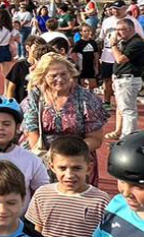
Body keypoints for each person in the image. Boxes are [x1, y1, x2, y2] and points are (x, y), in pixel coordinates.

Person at [25, 136, 112, 237]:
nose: (70, 175)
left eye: (77, 168)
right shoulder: (42, 194)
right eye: (62, 168)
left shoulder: (101, 201)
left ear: (89, 168)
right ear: (51, 167)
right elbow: (37, 233)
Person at [22, 52, 108, 184]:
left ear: (71, 73)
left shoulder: (86, 99)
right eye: (53, 76)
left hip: (77, 161)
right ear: (43, 77)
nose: (60, 79)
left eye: (63, 74)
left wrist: (67, 155)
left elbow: (95, 139)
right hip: (44, 159)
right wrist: (51, 157)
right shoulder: (35, 97)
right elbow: (32, 133)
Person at [106, 17, 144, 139]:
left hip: (128, 79)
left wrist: (113, 44)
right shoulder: (125, 42)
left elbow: (120, 59)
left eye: (120, 30)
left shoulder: (137, 43)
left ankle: (128, 137)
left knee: (128, 111)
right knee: (121, 108)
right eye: (116, 30)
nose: (117, 33)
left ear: (129, 29)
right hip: (120, 79)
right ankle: (119, 131)